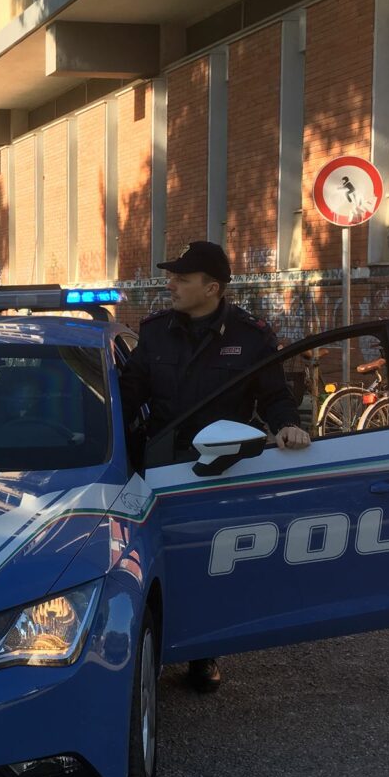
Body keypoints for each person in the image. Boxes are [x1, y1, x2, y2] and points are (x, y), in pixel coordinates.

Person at [119, 240, 310, 693]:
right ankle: (150, 645)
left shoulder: (251, 336)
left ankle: (202, 652)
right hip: (163, 466)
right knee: (158, 560)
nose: (171, 285)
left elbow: (274, 395)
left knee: (210, 562)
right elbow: (128, 396)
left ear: (212, 287)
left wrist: (287, 426)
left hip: (222, 467)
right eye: (172, 277)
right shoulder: (155, 332)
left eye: (181, 279)